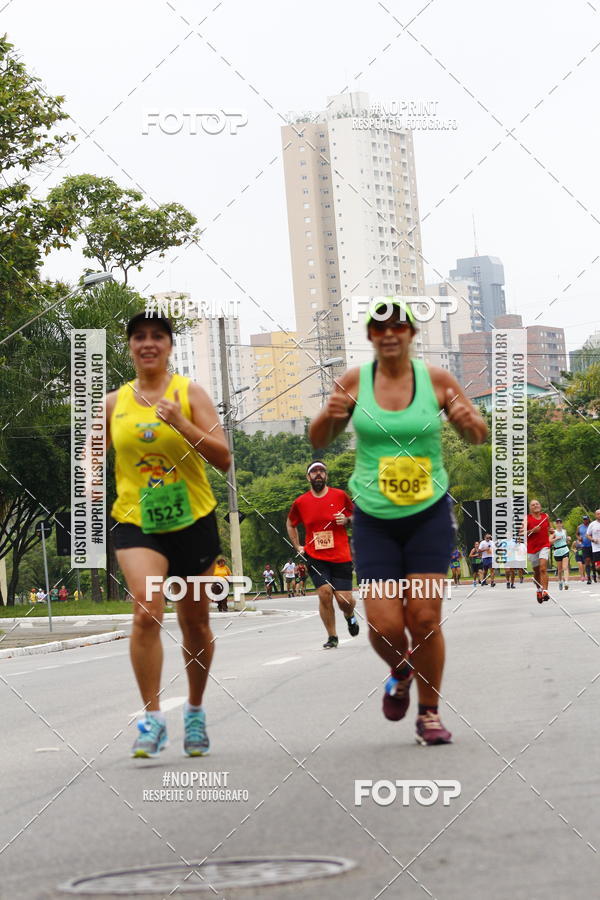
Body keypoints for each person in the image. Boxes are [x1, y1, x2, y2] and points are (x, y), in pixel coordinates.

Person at [309, 298, 487, 744]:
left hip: (428, 516)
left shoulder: (437, 380)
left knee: (425, 617)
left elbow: (478, 433)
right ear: (371, 336)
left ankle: (429, 714)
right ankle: (402, 669)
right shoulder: (355, 381)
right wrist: (328, 419)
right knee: (385, 625)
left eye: (399, 326)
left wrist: (467, 420)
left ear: (411, 334)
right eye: (380, 327)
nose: (390, 333)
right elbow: (318, 438)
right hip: (374, 520)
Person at [106, 311, 231, 759]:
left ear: (169, 346)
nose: (147, 343)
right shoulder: (112, 403)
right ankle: (153, 719)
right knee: (146, 611)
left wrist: (181, 422)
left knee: (195, 621)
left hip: (192, 520)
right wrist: (87, 472)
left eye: (157, 336)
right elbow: (90, 457)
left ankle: (194, 711)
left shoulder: (189, 393)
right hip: (137, 523)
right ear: (130, 347)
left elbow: (223, 458)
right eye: (138, 336)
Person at [286, 460, 358, 649]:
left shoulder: (340, 496)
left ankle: (350, 615)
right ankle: (332, 636)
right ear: (308, 477)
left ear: (326, 475)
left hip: (341, 556)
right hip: (315, 556)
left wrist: (347, 519)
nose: (318, 474)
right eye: (314, 471)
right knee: (325, 593)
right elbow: (290, 523)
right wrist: (298, 546)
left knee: (344, 600)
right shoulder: (301, 502)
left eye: (321, 471)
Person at [522, 499, 551, 603]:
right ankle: (539, 589)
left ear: (540, 505)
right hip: (532, 548)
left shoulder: (546, 517)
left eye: (537, 504)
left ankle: (545, 591)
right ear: (530, 508)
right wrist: (531, 531)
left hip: (544, 545)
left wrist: (551, 531)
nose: (535, 506)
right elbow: (521, 533)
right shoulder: (527, 519)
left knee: (543, 568)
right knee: (537, 571)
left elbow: (549, 529)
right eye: (533, 505)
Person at [550, 519, 570, 590]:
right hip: (557, 551)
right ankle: (560, 581)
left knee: (565, 567)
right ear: (556, 524)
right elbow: (550, 542)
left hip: (565, 550)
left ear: (562, 524)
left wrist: (568, 539)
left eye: (560, 522)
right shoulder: (554, 532)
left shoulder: (564, 531)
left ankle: (566, 582)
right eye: (557, 523)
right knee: (559, 569)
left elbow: (567, 541)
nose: (559, 524)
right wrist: (556, 538)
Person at [579, 515, 596, 584]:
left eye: (586, 519)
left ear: (588, 520)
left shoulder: (592, 526)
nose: (585, 521)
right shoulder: (580, 527)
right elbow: (577, 534)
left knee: (593, 562)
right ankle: (588, 578)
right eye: (584, 519)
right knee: (587, 562)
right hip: (584, 546)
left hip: (593, 546)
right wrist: (579, 538)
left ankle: (594, 575)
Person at [587, 510, 600, 578]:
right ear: (595, 515)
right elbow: (588, 535)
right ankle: (598, 574)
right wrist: (592, 539)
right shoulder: (592, 524)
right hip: (596, 548)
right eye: (598, 514)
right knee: (598, 567)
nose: (599, 515)